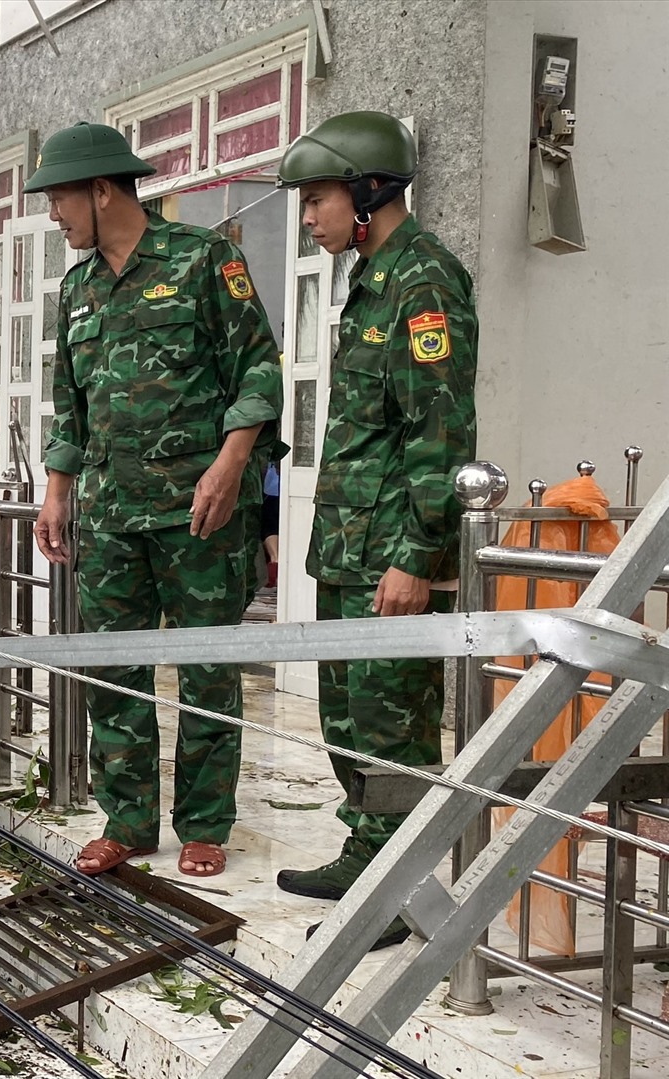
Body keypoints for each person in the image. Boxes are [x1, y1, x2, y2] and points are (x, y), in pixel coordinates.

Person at [25, 122, 284, 880]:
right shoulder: (76, 289)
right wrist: (56, 491)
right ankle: (128, 817)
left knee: (207, 667)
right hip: (109, 517)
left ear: (105, 190)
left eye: (62, 198)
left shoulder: (205, 259)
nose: (54, 215)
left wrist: (232, 465)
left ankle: (205, 823)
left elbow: (259, 374)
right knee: (115, 667)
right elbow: (68, 403)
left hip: (195, 512)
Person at [271, 112, 477, 949]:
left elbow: (439, 432)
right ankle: (369, 850)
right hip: (349, 551)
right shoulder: (371, 278)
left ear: (368, 192)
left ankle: (405, 884)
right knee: (349, 720)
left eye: (316, 200)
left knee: (395, 726)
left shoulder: (424, 281)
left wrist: (417, 557)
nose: (307, 217)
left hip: (392, 553)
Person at [262, 460, 282, 591]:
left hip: (270, 488)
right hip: (279, 485)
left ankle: (275, 560)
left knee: (269, 524)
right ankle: (276, 561)